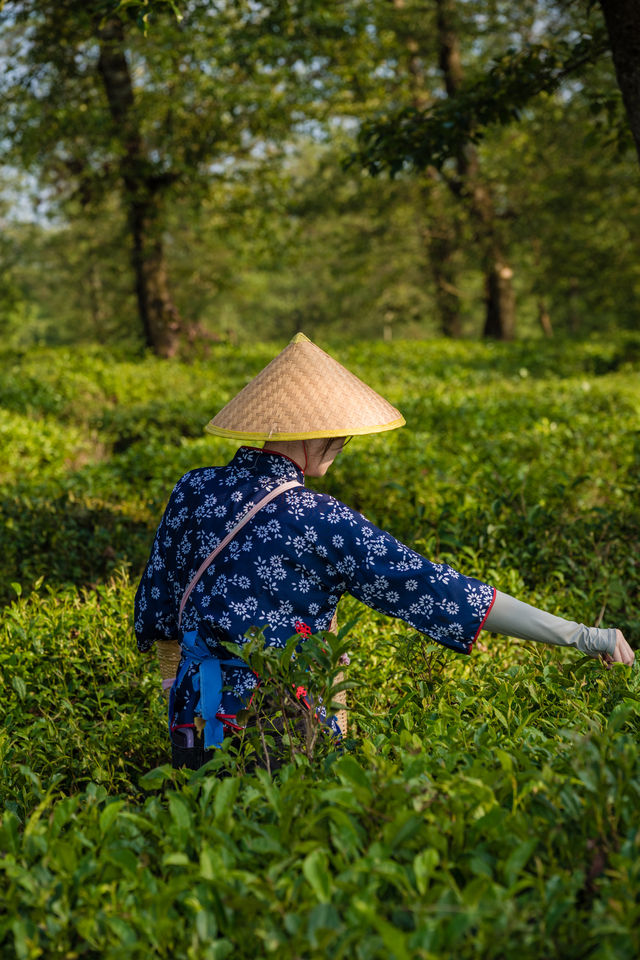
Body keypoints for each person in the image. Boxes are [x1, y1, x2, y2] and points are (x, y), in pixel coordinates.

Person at [134, 333, 634, 770]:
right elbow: (440, 592)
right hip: (275, 722)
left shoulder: (193, 489)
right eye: (340, 433)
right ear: (319, 433)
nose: (345, 441)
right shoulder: (322, 518)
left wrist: (178, 707)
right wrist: (583, 636)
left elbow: (158, 611)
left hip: (195, 717)